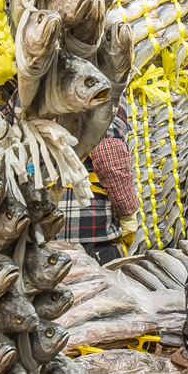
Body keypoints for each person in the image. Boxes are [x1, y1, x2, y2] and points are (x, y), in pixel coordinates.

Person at [57, 109, 140, 263]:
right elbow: (108, 155)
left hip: (41, 233)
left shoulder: (23, 97)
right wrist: (128, 213)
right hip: (93, 235)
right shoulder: (104, 96)